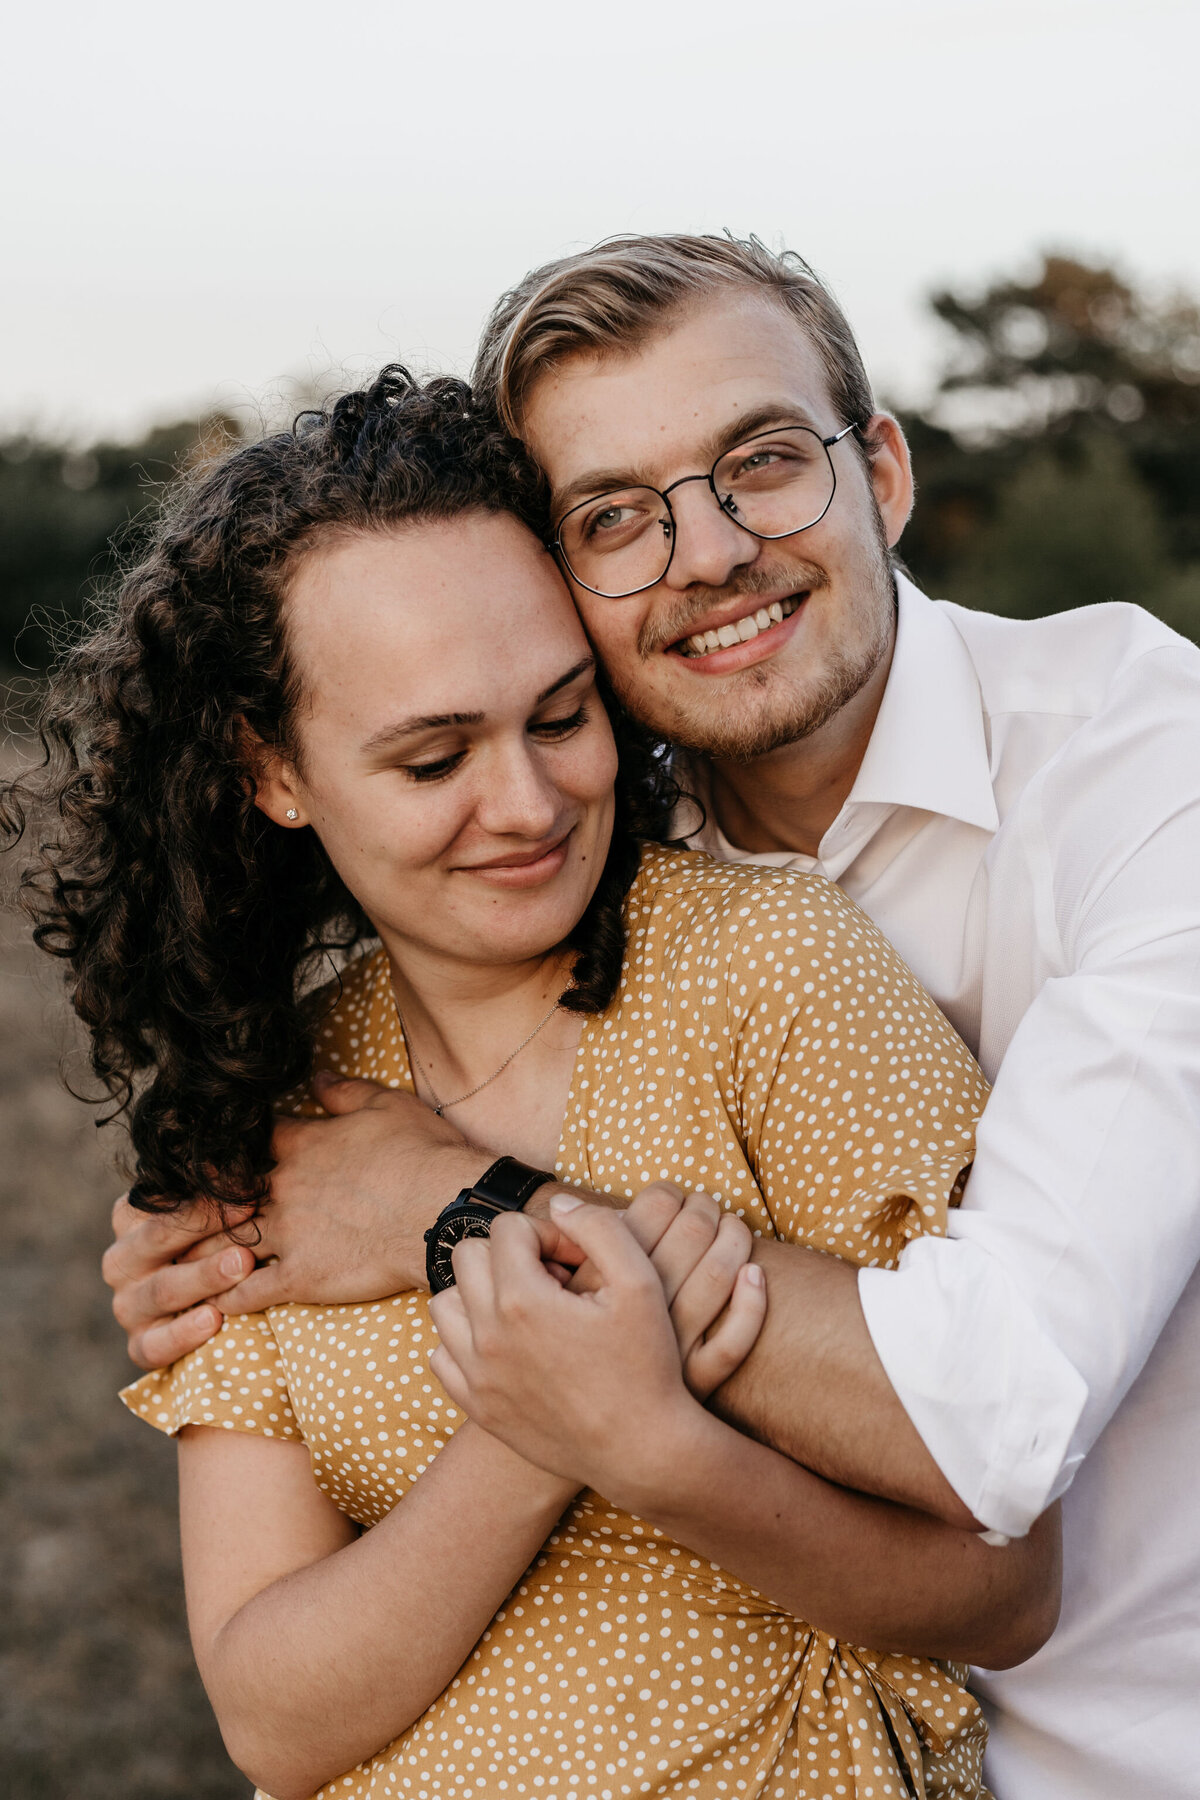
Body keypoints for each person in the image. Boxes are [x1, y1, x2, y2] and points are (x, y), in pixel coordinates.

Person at [103, 237, 1200, 1800]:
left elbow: (994, 1413)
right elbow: (269, 1703)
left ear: (883, 472)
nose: (704, 553)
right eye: (613, 514)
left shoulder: (1148, 773)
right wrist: (206, 1237)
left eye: (761, 462)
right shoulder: (582, 869)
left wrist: (453, 1208)